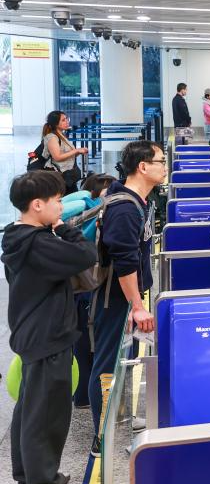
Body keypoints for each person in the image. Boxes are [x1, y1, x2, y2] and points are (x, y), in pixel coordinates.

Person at [2, 170, 97, 484]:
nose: (61, 205)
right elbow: (86, 255)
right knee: (47, 413)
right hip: (47, 335)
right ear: (37, 205)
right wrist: (67, 229)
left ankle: (28, 480)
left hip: (32, 332)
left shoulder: (17, 237)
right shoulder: (40, 244)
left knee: (30, 407)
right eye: (57, 200)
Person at [89, 140, 165, 456]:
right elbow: (124, 262)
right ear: (143, 167)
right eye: (161, 161)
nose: (165, 166)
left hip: (126, 296)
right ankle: (101, 437)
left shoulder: (137, 201)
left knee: (123, 361)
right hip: (115, 299)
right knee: (108, 364)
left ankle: (117, 421)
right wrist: (137, 306)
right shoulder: (124, 208)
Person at [62, 173, 116, 410]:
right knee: (85, 341)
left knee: (81, 340)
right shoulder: (88, 204)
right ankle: (83, 394)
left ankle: (81, 393)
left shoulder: (79, 204)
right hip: (85, 280)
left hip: (76, 280)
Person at [41, 110, 86, 194]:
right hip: (60, 176)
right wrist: (76, 150)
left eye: (67, 119)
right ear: (55, 124)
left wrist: (78, 152)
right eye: (63, 120)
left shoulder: (61, 135)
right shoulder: (52, 137)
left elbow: (67, 156)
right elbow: (57, 157)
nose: (67, 122)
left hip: (68, 176)